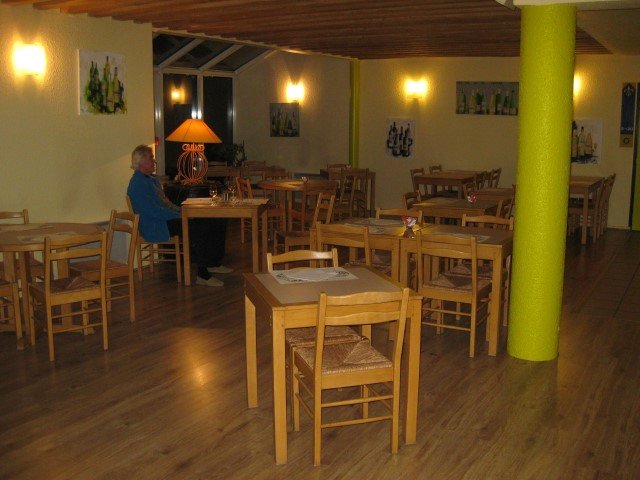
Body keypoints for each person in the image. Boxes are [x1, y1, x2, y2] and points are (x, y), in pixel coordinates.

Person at [127, 144, 231, 287]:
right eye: (151, 158)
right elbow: (155, 211)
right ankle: (202, 274)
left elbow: (166, 204)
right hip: (155, 225)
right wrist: (180, 215)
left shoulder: (150, 179)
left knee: (213, 220)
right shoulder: (138, 184)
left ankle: (212, 262)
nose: (154, 161)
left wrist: (181, 211)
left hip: (163, 219)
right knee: (197, 227)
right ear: (142, 162)